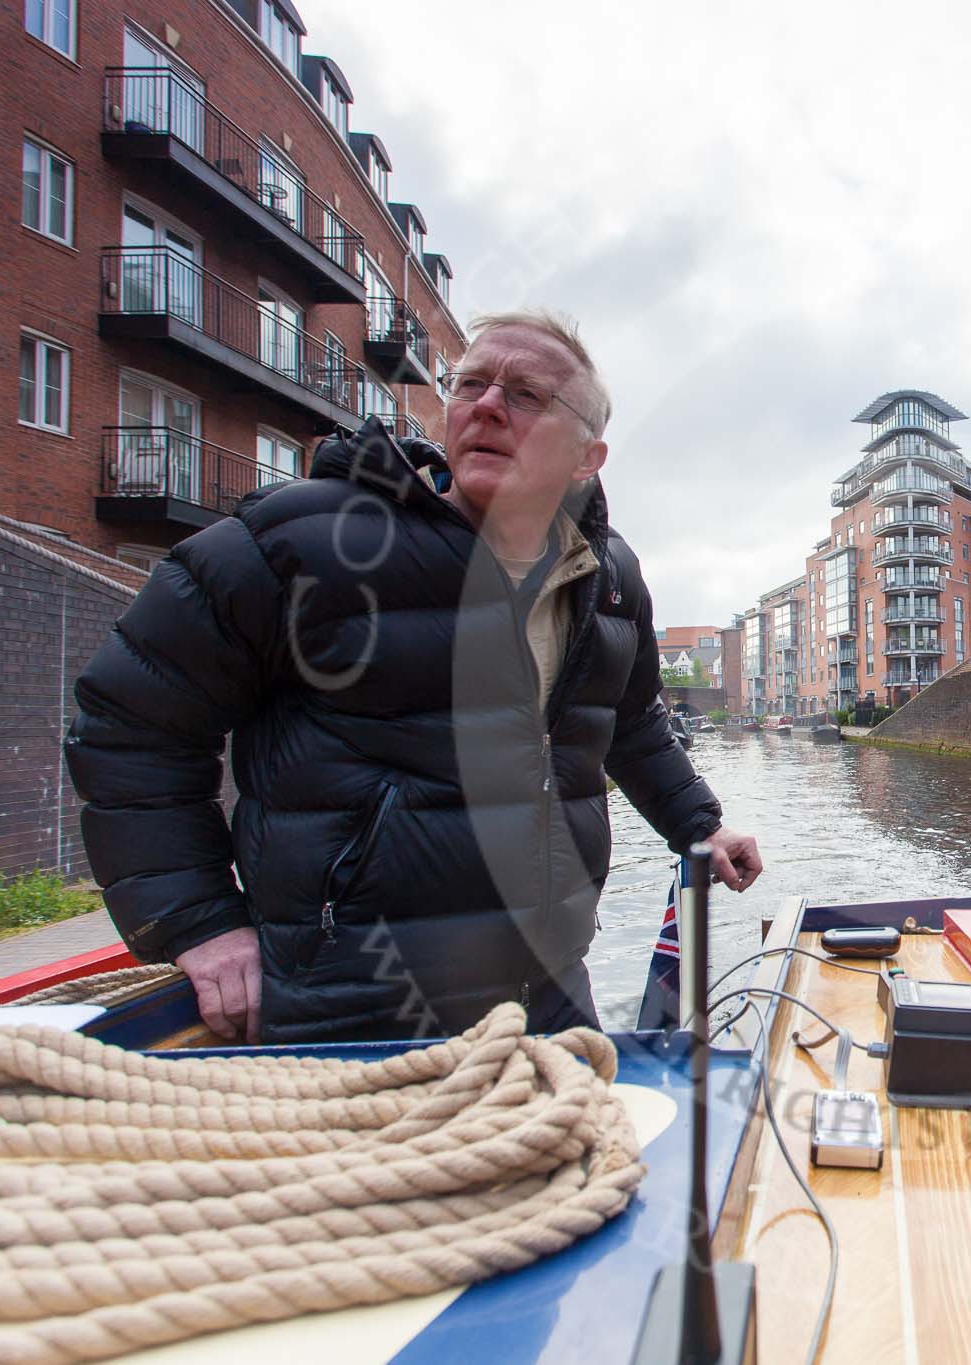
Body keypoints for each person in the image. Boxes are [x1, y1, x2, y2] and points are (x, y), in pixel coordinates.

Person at [65, 310, 761, 1044]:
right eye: (471, 385)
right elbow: (129, 724)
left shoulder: (609, 576)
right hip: (352, 1008)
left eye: (525, 394)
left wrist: (700, 826)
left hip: (549, 994)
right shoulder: (302, 544)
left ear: (589, 456)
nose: (487, 404)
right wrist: (200, 920)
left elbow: (629, 720)